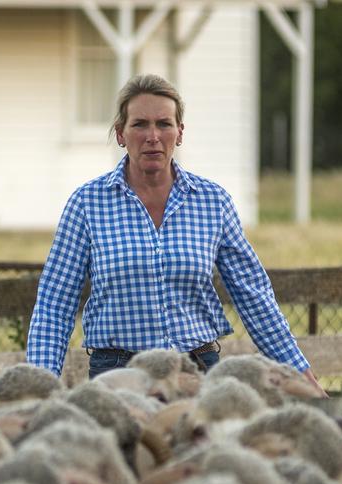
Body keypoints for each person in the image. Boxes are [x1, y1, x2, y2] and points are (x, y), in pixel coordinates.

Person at [26, 73, 326, 394]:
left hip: (197, 372)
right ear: (120, 134)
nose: (153, 136)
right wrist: (36, 388)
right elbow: (54, 305)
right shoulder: (87, 204)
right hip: (118, 377)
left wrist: (298, 372)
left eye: (164, 124)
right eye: (140, 124)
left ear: (179, 133)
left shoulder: (212, 201)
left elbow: (254, 296)